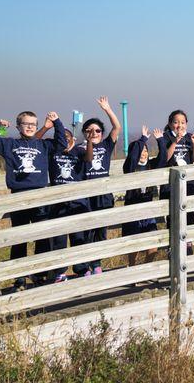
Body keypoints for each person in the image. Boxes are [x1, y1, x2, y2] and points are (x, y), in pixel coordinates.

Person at [0, 111, 67, 291]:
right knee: (19, 239)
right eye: (25, 124)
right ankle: (19, 279)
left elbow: (61, 143)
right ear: (18, 126)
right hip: (19, 197)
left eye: (33, 124)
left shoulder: (43, 145)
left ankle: (39, 275)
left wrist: (57, 122)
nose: (29, 127)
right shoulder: (10, 144)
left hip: (40, 197)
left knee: (41, 238)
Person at [41, 125, 91, 281]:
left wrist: (89, 141)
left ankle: (81, 269)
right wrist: (46, 127)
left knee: (79, 237)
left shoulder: (79, 152)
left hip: (77, 201)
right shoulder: (52, 153)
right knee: (59, 240)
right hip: (58, 202)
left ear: (73, 140)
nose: (65, 141)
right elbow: (36, 141)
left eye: (67, 138)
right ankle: (59, 272)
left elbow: (89, 159)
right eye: (62, 139)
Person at [79, 96, 122, 275]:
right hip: (86, 194)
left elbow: (117, 127)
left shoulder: (106, 145)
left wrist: (107, 109)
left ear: (102, 134)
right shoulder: (79, 148)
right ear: (84, 133)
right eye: (89, 131)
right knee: (85, 232)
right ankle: (85, 265)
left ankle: (97, 263)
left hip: (103, 194)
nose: (94, 133)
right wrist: (87, 141)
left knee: (100, 231)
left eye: (97, 131)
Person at [156, 110, 194, 253]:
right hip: (170, 184)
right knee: (173, 216)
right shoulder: (165, 137)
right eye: (176, 122)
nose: (179, 125)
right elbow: (165, 159)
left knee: (189, 215)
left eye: (182, 122)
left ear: (187, 124)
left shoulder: (190, 137)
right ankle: (173, 246)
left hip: (188, 183)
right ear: (170, 124)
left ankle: (188, 244)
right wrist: (175, 142)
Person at [122, 126, 160, 267]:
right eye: (140, 150)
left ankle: (145, 269)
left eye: (145, 150)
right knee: (134, 243)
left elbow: (162, 158)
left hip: (148, 211)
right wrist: (142, 139)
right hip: (132, 211)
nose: (143, 153)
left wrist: (160, 140)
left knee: (153, 242)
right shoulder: (130, 168)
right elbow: (132, 158)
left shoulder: (151, 165)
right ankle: (133, 268)